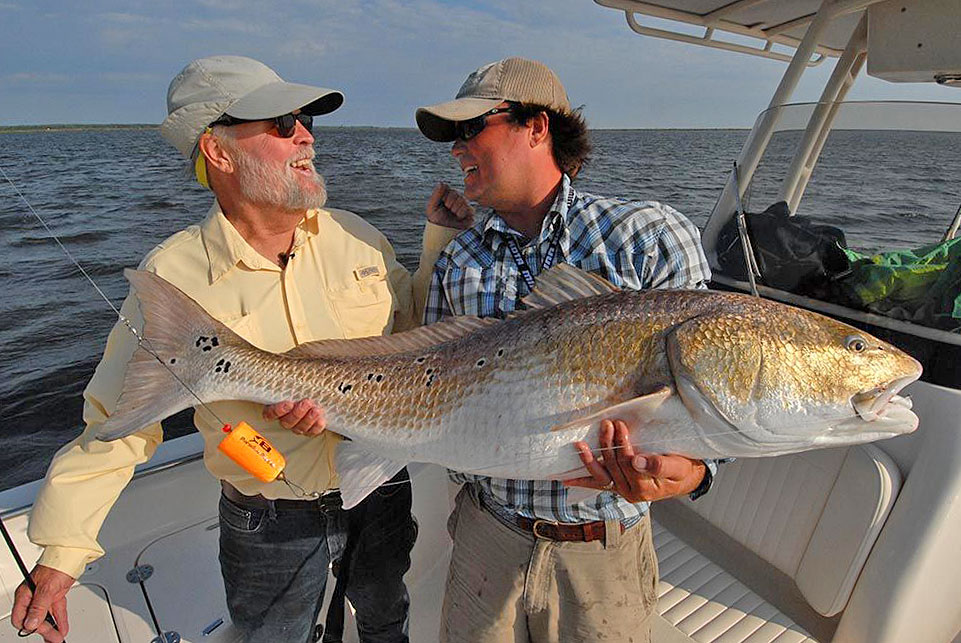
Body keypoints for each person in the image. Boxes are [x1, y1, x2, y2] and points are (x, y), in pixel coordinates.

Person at [11, 55, 469, 643]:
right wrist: (59, 557)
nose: (305, 135)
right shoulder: (174, 274)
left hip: (380, 491)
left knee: (387, 621)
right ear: (219, 152)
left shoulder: (359, 236)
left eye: (305, 120)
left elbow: (415, 338)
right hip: (268, 521)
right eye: (281, 125)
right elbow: (119, 422)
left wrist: (439, 241)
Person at [417, 57, 717, 643]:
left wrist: (694, 473)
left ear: (538, 128)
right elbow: (424, 385)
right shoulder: (457, 259)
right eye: (454, 136)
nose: (457, 149)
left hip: (602, 552)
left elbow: (710, 386)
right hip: (487, 535)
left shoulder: (648, 236)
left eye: (471, 128)